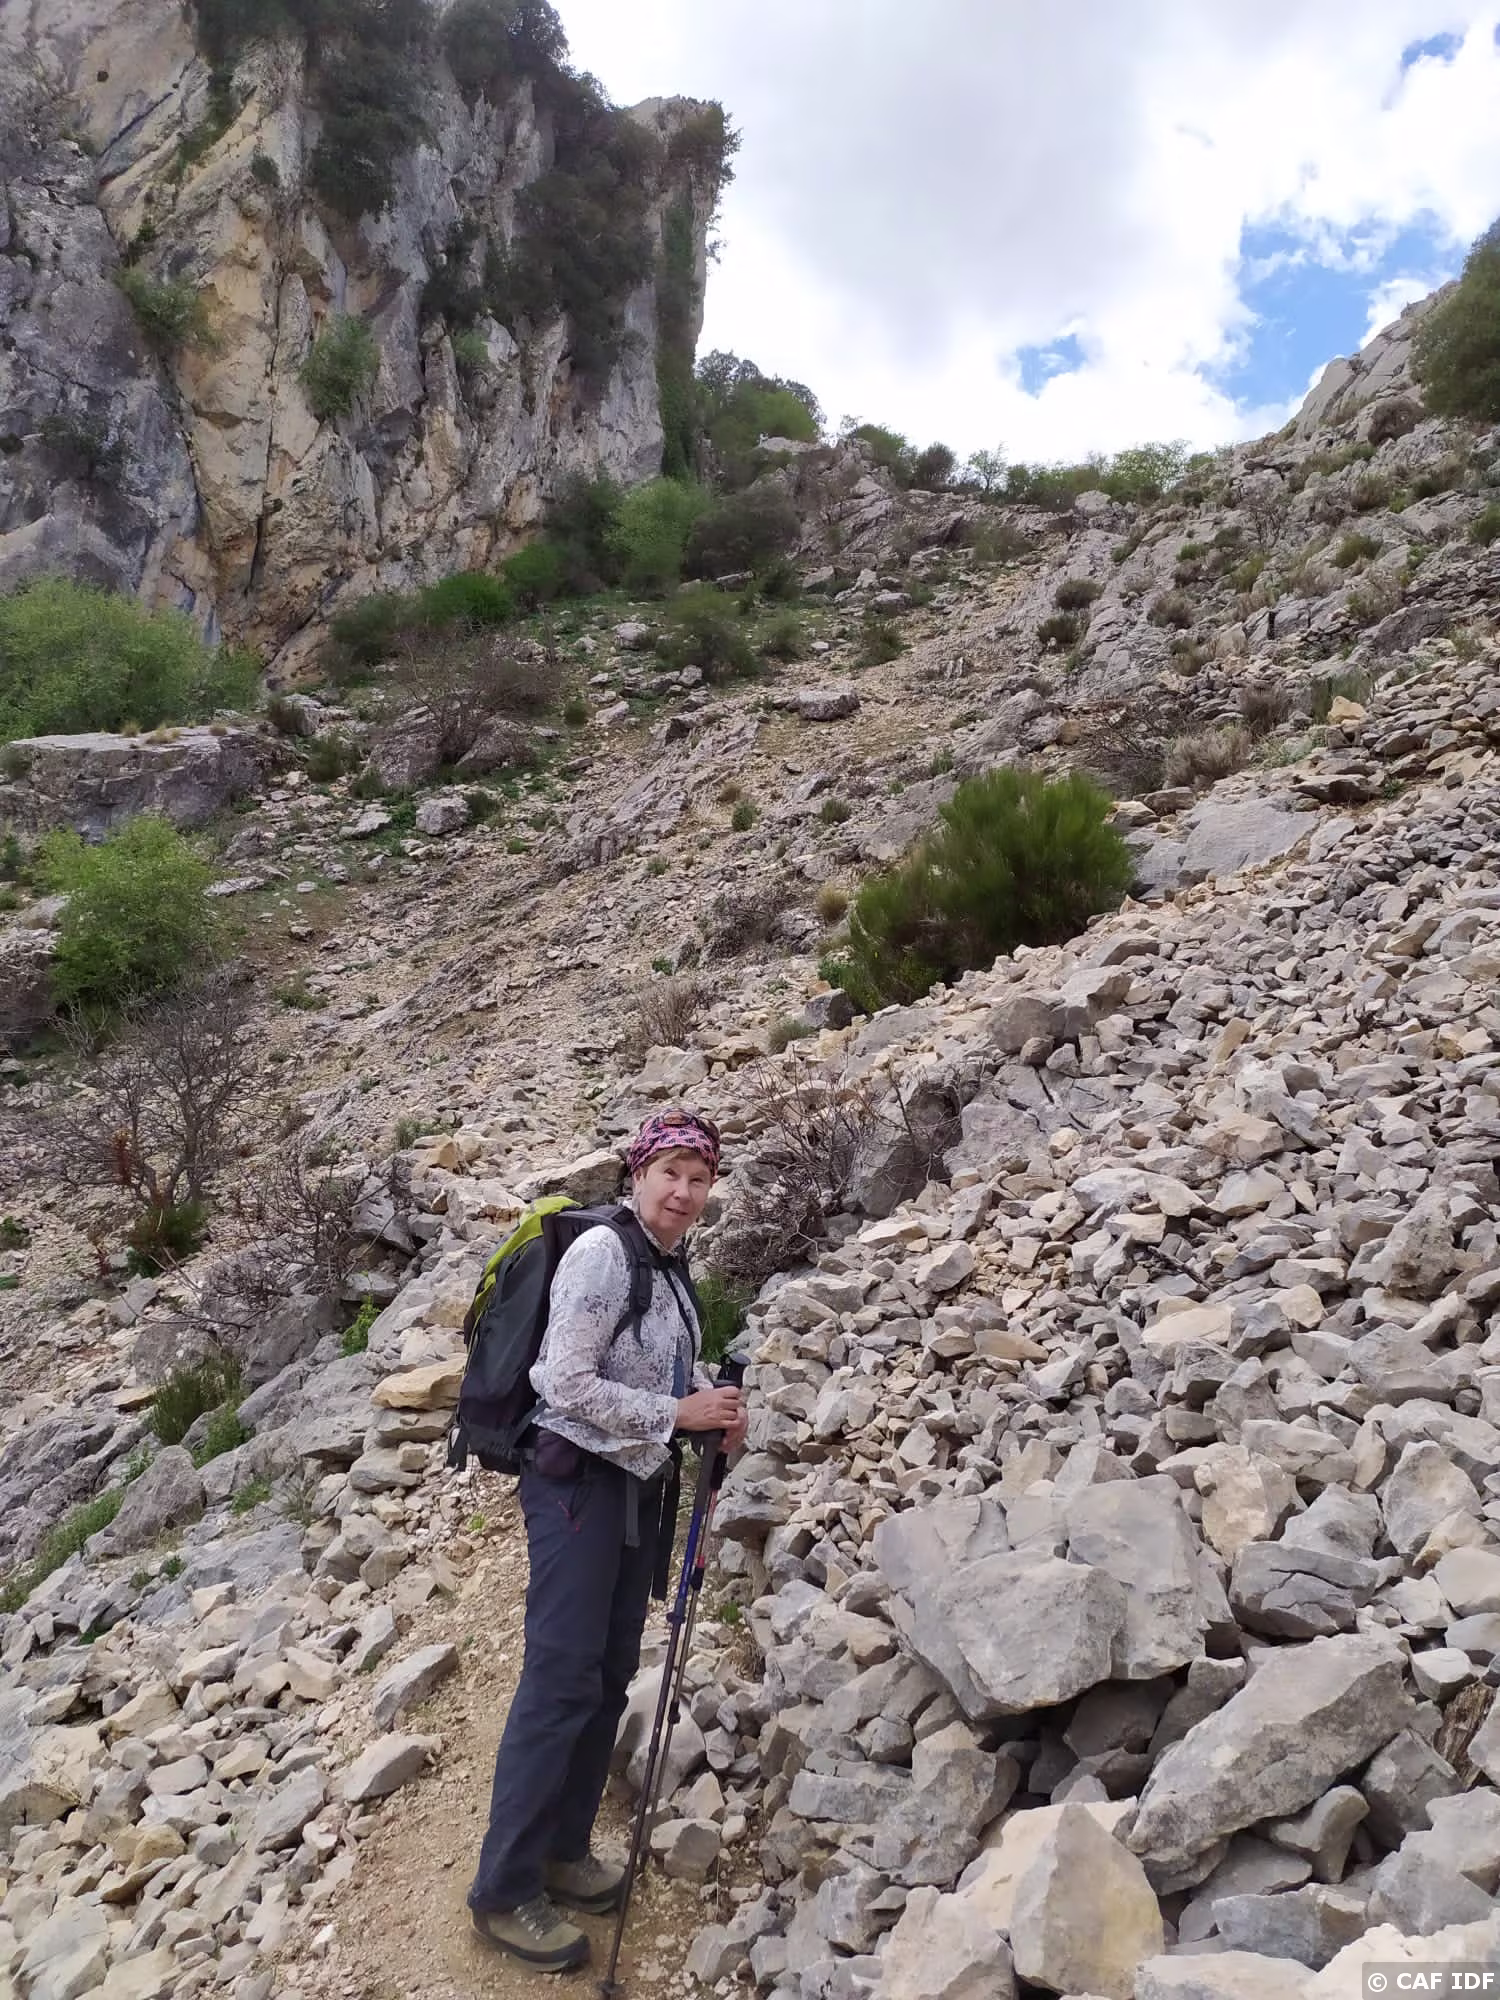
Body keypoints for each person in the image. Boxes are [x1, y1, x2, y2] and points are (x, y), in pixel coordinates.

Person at [467, 1108, 747, 1974]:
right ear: (638, 1175)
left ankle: (563, 1849)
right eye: (671, 1173)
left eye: (698, 1179)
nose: (684, 1192)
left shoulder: (669, 1267)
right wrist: (676, 1414)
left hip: (632, 1491)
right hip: (575, 1492)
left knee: (608, 1674)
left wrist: (711, 1404)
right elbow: (562, 1379)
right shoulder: (603, 1253)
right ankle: (504, 1890)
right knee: (560, 1681)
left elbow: (658, 1370)